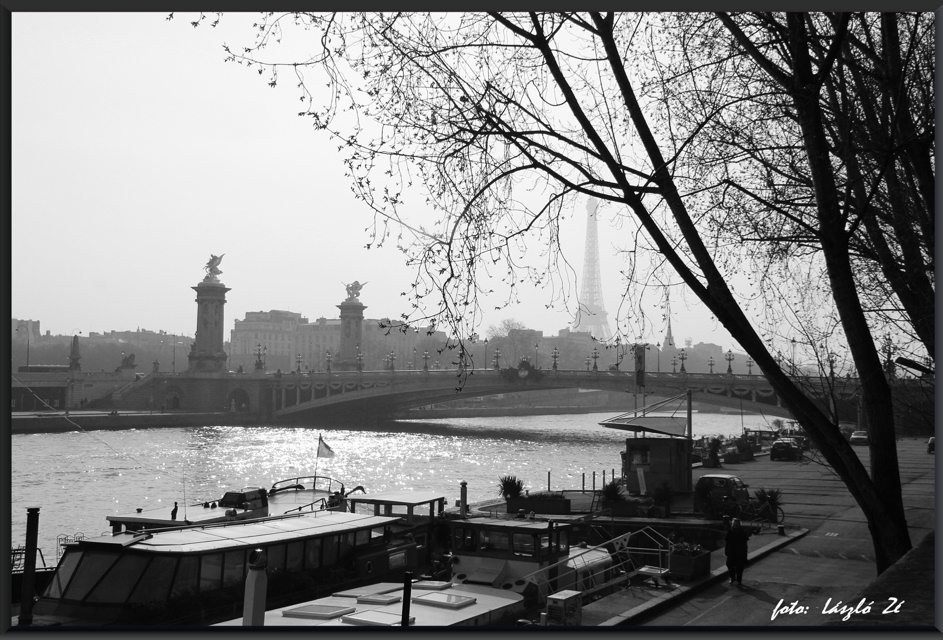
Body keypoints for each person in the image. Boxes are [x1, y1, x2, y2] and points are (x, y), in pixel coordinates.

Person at [724, 518, 751, 585]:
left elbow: (745, 544)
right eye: (734, 524)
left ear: (739, 525)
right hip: (732, 551)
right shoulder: (730, 532)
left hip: (740, 552)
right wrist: (726, 551)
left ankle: (739, 579)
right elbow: (727, 543)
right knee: (729, 564)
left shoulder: (742, 532)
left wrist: (745, 553)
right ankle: (733, 578)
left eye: (736, 525)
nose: (734, 526)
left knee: (740, 567)